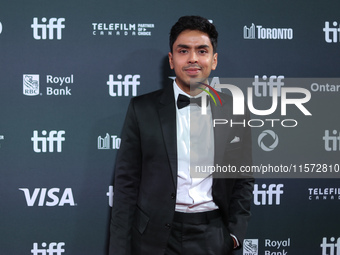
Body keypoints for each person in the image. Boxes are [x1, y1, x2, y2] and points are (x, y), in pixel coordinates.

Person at [109, 15, 254, 255]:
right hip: (153, 239)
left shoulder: (236, 110)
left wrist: (234, 235)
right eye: (183, 51)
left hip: (213, 236)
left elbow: (243, 178)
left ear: (214, 60)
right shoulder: (142, 108)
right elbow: (126, 184)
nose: (193, 58)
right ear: (171, 60)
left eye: (202, 50)